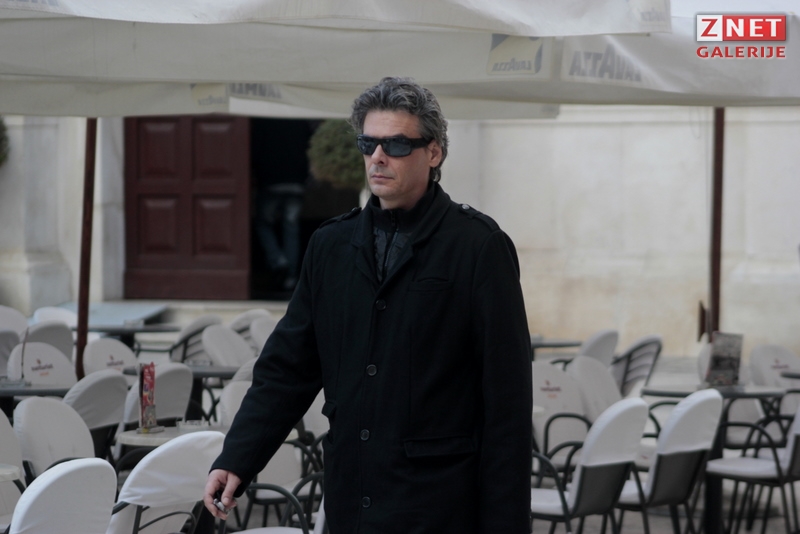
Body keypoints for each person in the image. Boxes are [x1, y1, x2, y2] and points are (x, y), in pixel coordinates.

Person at [204, 77, 532, 533]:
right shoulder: (330, 245)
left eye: (395, 145)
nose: (377, 157)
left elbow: (507, 405)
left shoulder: (478, 246)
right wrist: (238, 457)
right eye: (368, 143)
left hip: (438, 511)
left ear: (433, 153)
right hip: (350, 504)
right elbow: (287, 368)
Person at [251, 118, 312, 291]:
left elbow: (255, 150)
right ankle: (291, 277)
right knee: (291, 227)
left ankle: (278, 260)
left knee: (263, 223)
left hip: (270, 181)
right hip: (296, 182)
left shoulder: (263, 121)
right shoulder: (301, 122)